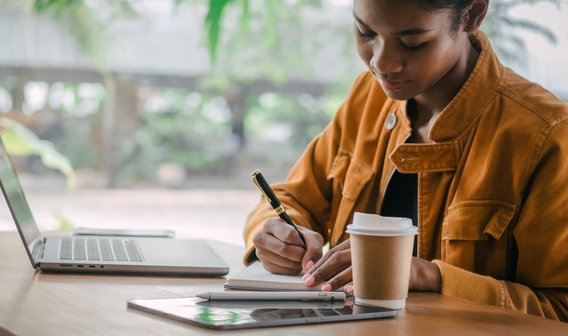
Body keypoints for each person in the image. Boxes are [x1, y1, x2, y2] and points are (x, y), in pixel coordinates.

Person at [243, 0, 568, 321]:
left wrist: (433, 279)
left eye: (413, 42)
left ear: (472, 14)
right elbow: (291, 198)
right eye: (365, 32)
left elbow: (560, 309)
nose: (382, 62)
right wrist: (276, 235)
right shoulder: (366, 98)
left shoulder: (547, 135)